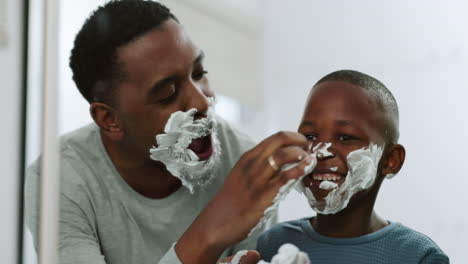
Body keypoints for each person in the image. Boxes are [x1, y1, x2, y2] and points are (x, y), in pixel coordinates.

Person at [24, 1, 316, 263]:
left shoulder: (242, 160)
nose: (202, 101)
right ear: (110, 119)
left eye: (199, 73)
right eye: (167, 94)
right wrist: (210, 231)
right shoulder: (58, 180)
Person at [256, 70, 449, 264]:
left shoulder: (417, 255)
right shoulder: (273, 244)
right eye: (310, 136)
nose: (319, 152)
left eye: (345, 137)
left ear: (391, 160)